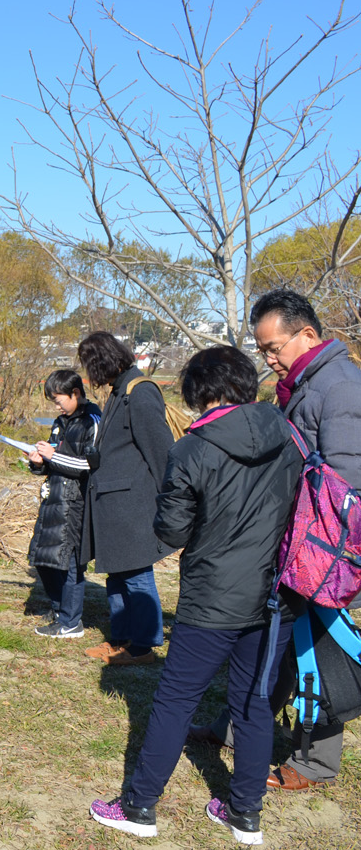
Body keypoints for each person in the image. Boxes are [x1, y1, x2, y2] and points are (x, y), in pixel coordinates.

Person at [90, 346, 302, 844]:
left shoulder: (192, 449)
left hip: (213, 596)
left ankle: (140, 806)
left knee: (175, 701)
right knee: (253, 704)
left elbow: (174, 528)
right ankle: (244, 815)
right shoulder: (290, 435)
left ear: (200, 395)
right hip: (276, 595)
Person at [189, 288, 361, 791]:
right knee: (273, 643)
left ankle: (315, 761)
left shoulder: (342, 388)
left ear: (307, 335)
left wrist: (321, 555)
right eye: (262, 349)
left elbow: (346, 487)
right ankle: (236, 730)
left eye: (273, 347)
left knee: (317, 649)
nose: (268, 359)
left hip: (321, 551)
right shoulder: (308, 383)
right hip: (292, 541)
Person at [77, 332, 174, 665]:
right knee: (116, 574)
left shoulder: (140, 392)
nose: (89, 375)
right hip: (113, 504)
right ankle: (120, 639)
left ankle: (144, 646)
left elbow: (162, 455)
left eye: (90, 366)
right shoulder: (120, 391)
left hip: (131, 505)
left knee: (135, 574)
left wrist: (173, 505)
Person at [26, 369, 101, 639]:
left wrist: (54, 455)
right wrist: (38, 461)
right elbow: (53, 461)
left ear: (76, 393)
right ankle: (59, 611)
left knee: (70, 563)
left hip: (77, 503)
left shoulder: (93, 420)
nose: (56, 406)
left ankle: (71, 623)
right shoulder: (60, 421)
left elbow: (89, 466)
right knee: (43, 559)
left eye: (59, 400)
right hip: (53, 498)